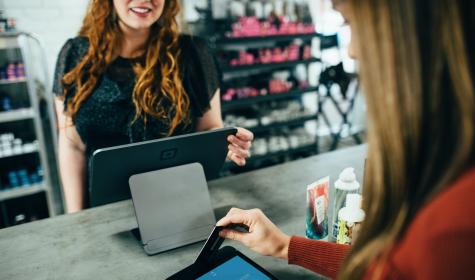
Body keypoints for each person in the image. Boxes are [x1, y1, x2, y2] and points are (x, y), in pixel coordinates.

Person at [217, 0, 475, 279]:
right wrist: (284, 246)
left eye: (352, 23)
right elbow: (387, 267)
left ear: (410, 31)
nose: (351, 50)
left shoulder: (451, 227)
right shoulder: (444, 179)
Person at [53, 0, 253, 213]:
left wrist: (225, 142)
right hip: (104, 211)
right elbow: (72, 145)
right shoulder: (75, 55)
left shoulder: (193, 53)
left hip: (178, 205)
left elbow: (209, 128)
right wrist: (76, 218)